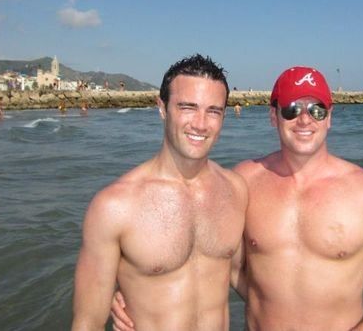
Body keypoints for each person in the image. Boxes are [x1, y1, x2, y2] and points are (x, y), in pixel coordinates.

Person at [114, 66, 363, 330]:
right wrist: (139, 293)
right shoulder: (242, 183)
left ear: (329, 117)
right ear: (273, 116)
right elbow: (202, 252)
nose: (305, 120)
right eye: (292, 110)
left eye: (317, 110)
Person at [71, 54, 248, 331]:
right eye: (188, 107)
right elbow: (88, 321)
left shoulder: (235, 189)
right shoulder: (115, 206)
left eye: (213, 111)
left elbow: (240, 274)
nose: (201, 124)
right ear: (162, 108)